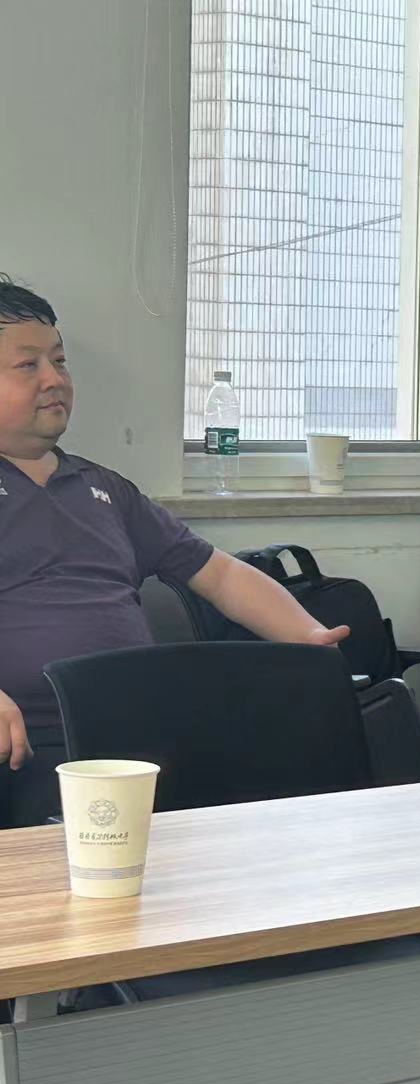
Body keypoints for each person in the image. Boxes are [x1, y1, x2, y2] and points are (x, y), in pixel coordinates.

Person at [0, 276, 350, 830]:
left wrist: (308, 637)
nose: (55, 379)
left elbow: (220, 575)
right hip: (30, 750)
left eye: (60, 362)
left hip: (140, 736)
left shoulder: (105, 489)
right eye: (28, 365)